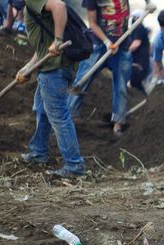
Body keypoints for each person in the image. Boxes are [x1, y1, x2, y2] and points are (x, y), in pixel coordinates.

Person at [17, 0, 86, 177]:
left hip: (54, 70)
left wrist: (58, 40)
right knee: (41, 109)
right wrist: (28, 68)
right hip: (51, 67)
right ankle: (38, 152)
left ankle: (74, 165)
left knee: (59, 115)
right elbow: (43, 47)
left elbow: (59, 6)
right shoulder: (34, 7)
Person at [67, 0, 137, 136]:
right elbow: (92, 23)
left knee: (121, 85)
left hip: (122, 44)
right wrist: (106, 42)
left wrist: (148, 3)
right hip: (98, 45)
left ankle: (118, 122)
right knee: (82, 80)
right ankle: (68, 119)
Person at [128, 9, 151, 97]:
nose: (132, 19)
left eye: (134, 18)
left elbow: (136, 44)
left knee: (135, 81)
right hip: (141, 60)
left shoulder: (138, 27)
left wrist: (126, 53)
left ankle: (145, 99)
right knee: (136, 83)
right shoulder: (138, 28)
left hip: (139, 61)